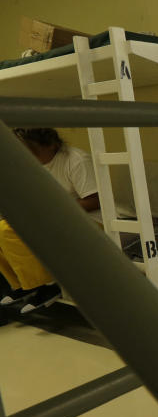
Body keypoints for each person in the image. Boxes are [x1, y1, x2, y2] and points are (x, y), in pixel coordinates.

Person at [0, 128, 100, 313]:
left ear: (52, 144)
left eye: (30, 148)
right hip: (51, 217)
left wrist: (49, 212)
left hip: (88, 220)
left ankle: (49, 284)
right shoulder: (30, 164)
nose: (25, 154)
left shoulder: (75, 160)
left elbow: (95, 200)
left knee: (17, 231)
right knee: (3, 228)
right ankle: (24, 285)